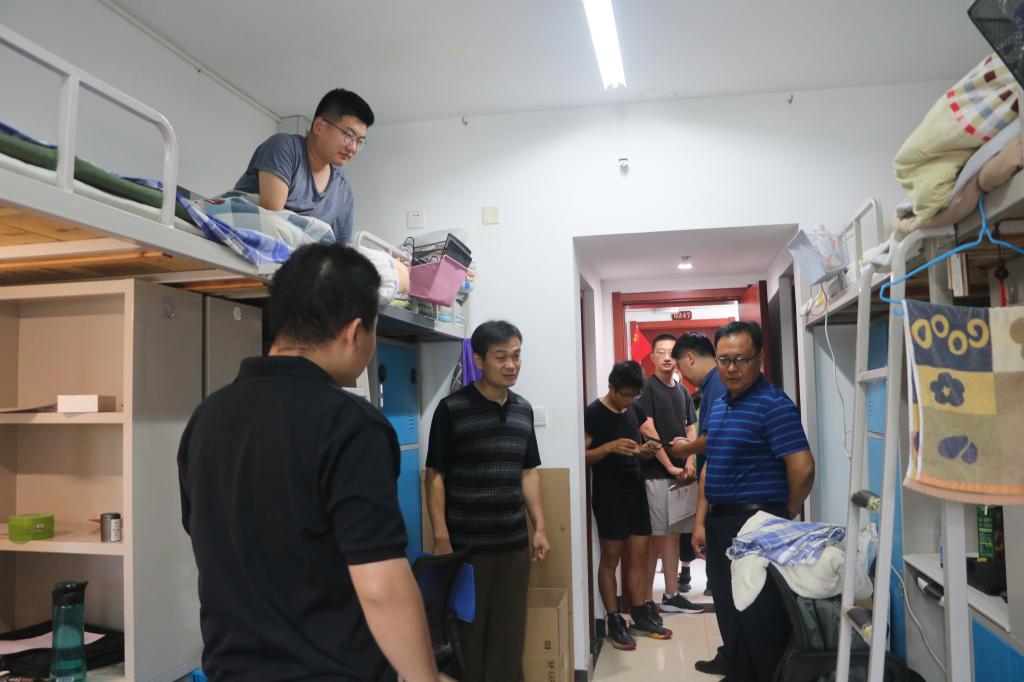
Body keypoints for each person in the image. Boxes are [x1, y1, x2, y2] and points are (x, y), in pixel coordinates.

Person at [177, 243, 441, 681]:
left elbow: (213, 541)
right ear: (355, 332)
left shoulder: (206, 418)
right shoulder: (353, 425)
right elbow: (380, 587)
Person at [425, 320, 550, 682]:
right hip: (468, 546)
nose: (511, 364)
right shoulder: (452, 409)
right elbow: (435, 475)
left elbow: (528, 472)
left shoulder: (523, 409)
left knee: (509, 634)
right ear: (479, 360)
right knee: (468, 634)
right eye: (501, 357)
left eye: (516, 356)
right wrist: (441, 536)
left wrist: (539, 527)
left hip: (513, 544)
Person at [690, 321, 815, 681]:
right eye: (724, 360)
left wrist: (781, 513)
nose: (731, 368)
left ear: (759, 359)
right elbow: (710, 465)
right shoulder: (719, 405)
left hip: (757, 524)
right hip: (720, 523)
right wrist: (700, 521)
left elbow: (803, 469)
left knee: (761, 617)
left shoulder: (773, 404)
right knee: (729, 611)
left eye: (741, 359)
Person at [585, 361, 673, 650]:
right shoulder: (593, 413)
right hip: (609, 495)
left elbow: (638, 450)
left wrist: (645, 451)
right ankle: (614, 619)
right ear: (611, 387)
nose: (629, 401)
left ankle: (639, 612)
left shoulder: (634, 409)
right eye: (625, 395)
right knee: (610, 559)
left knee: (639, 555)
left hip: (636, 491)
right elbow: (582, 454)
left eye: (634, 396)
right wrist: (608, 447)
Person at [234, 88, 373, 243]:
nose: (353, 148)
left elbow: (341, 249)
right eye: (348, 135)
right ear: (319, 126)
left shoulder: (343, 190)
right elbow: (271, 224)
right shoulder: (284, 148)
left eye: (359, 141)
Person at [637, 334, 704, 616]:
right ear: (652, 357)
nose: (666, 357)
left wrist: (689, 459)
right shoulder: (647, 388)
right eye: (660, 352)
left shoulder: (683, 391)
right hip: (656, 474)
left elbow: (691, 429)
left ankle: (671, 594)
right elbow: (647, 429)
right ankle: (645, 600)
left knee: (674, 536)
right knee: (656, 537)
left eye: (671, 352)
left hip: (682, 475)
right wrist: (669, 466)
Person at [671, 332, 728, 596]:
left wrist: (686, 448)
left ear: (690, 358)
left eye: (681, 368)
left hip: (723, 496)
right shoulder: (712, 385)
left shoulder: (716, 384)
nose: (683, 376)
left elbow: (713, 438)